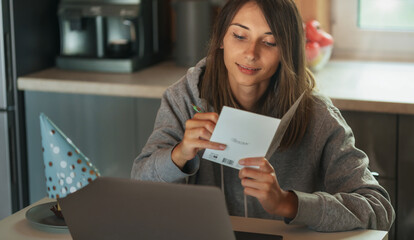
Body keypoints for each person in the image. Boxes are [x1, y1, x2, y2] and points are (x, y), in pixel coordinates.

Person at [131, 0, 395, 232]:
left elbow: (379, 210)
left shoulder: (317, 116)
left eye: (269, 42)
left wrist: (288, 202)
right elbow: (138, 186)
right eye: (239, 35)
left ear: (287, 51)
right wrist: (179, 154)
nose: (251, 53)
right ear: (221, 38)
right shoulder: (184, 99)